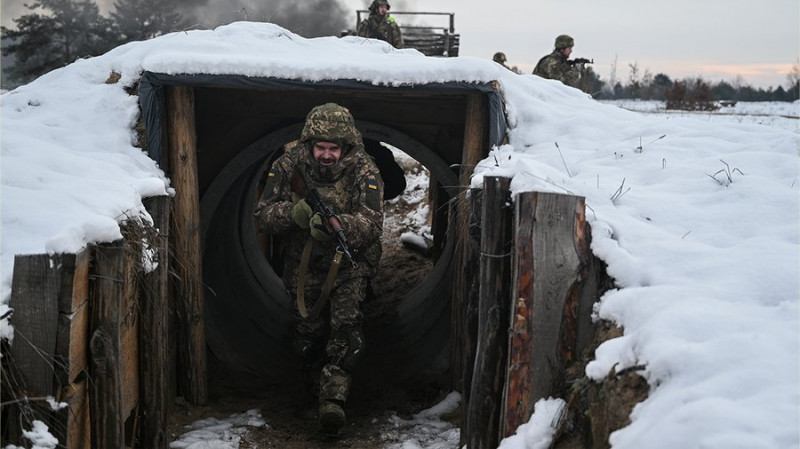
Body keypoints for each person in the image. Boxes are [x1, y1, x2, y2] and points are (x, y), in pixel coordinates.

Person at [254, 103, 384, 434]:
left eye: (334, 148)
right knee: (307, 339)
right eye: (321, 147)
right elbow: (263, 215)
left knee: (346, 332)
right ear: (310, 145)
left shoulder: (364, 170)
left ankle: (333, 402)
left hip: (348, 265)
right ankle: (312, 387)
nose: (327, 155)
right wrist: (295, 214)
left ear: (346, 147)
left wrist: (340, 225)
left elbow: (372, 223)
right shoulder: (287, 166)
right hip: (304, 267)